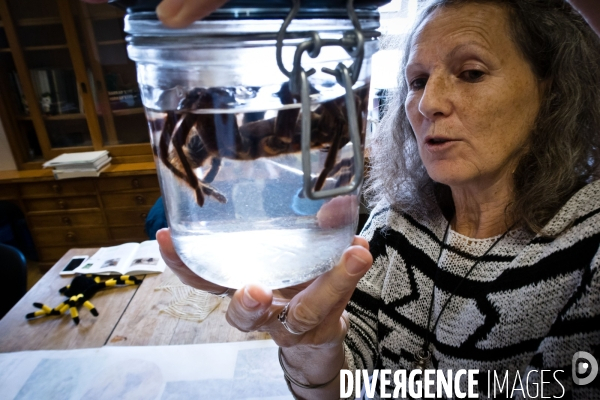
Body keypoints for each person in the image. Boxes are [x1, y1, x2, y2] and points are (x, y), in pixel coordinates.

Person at [86, 0, 600, 397]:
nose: (428, 103)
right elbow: (350, 389)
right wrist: (315, 345)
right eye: (416, 80)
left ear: (552, 90)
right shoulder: (393, 227)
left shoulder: (588, 255)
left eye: (471, 72)